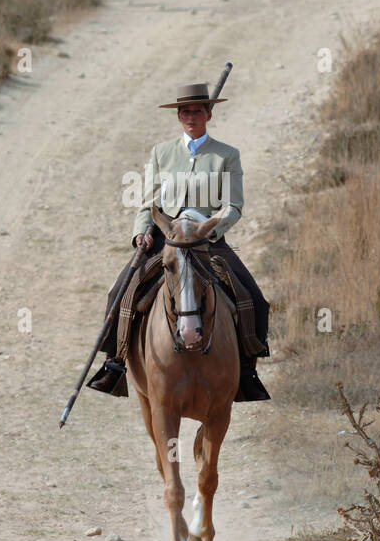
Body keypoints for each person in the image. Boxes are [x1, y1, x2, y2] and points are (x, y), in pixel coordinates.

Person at [87, 81, 270, 401]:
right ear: (178, 116)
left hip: (206, 238)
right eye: (185, 111)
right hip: (165, 238)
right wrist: (141, 232)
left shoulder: (227, 155)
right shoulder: (161, 152)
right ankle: (115, 363)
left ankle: (245, 370)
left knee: (253, 298)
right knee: (120, 291)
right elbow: (148, 203)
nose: (190, 116)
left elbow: (234, 206)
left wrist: (210, 227)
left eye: (197, 110)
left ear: (208, 114)